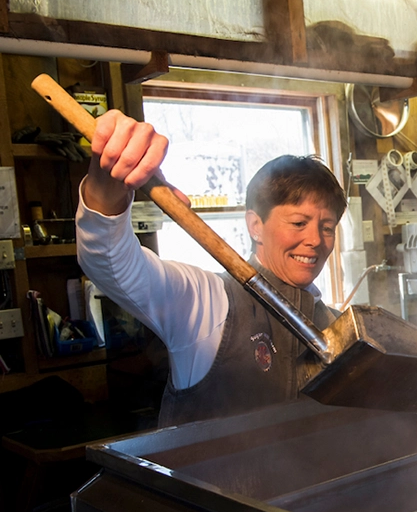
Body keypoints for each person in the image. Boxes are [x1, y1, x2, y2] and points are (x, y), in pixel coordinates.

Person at [76, 110, 347, 426]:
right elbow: (112, 264)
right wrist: (104, 192)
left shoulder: (335, 327)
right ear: (255, 225)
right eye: (298, 222)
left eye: (327, 227)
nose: (315, 239)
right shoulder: (210, 303)